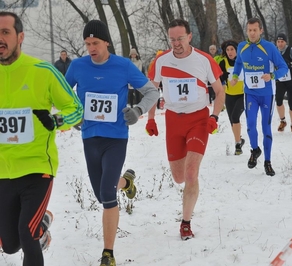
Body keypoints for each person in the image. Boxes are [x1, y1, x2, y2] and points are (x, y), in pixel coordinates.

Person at [65, 20, 159, 265]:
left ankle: (108, 253)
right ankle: (126, 181)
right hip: (90, 137)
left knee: (107, 195)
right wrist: (72, 114)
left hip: (116, 137)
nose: (91, 48)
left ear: (106, 42)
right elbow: (63, 96)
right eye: (87, 44)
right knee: (100, 193)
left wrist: (138, 110)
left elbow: (152, 92)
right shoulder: (77, 66)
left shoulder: (124, 66)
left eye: (95, 43)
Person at [0, 11, 83, 266]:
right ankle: (43, 223)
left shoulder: (43, 71)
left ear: (20, 36)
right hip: (3, 170)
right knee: (9, 245)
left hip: (37, 167)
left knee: (26, 234)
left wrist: (57, 121)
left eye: (5, 32)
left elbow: (76, 110)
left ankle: (35, 229)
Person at [145, 18, 225, 240]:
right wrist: (150, 119)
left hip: (198, 119)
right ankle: (188, 190)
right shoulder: (161, 61)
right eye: (172, 39)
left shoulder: (204, 60)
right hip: (173, 121)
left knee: (190, 174)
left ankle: (186, 223)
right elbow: (152, 93)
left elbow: (220, 92)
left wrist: (214, 117)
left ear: (189, 37)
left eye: (180, 38)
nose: (176, 43)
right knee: (179, 176)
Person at [230, 18, 288, 176]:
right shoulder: (242, 47)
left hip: (267, 95)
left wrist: (273, 75)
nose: (252, 33)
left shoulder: (269, 47)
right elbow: (239, 63)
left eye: (255, 30)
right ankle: (255, 150)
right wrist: (235, 75)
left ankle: (267, 162)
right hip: (250, 94)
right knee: (250, 125)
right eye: (249, 30)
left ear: (261, 30)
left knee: (265, 127)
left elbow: (283, 67)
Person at [218, 40, 245, 155]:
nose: (230, 52)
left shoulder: (243, 60)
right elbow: (217, 78)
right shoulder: (223, 62)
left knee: (235, 117)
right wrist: (222, 76)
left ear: (236, 50)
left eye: (232, 49)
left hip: (243, 94)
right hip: (229, 95)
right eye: (227, 50)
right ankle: (239, 140)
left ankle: (238, 145)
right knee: (232, 121)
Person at [275, 33, 292, 133]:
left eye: (282, 42)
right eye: (278, 42)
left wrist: (290, 64)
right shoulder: (274, 51)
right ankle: (283, 121)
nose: (280, 44)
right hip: (280, 80)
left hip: (291, 80)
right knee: (279, 101)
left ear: (285, 42)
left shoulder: (291, 51)